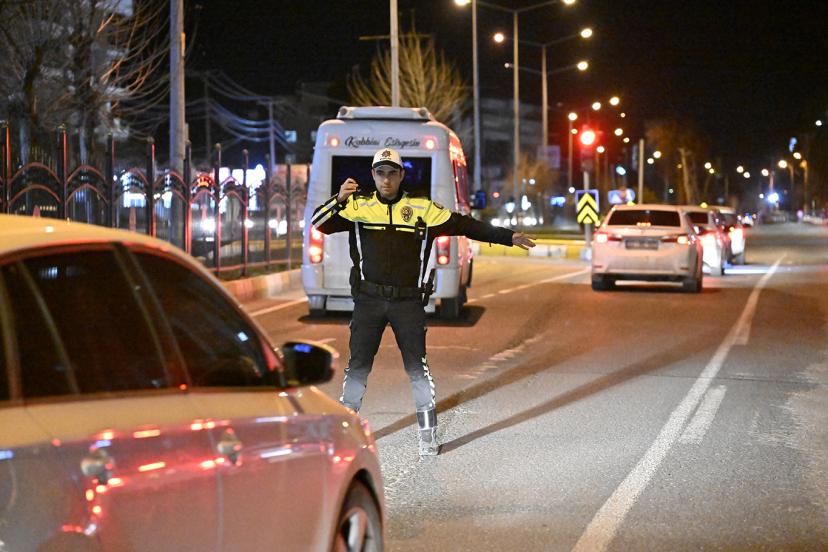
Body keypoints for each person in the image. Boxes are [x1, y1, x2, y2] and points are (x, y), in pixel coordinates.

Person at [311, 147, 535, 455]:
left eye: (392, 173)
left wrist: (507, 237)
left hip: (408, 303)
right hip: (368, 301)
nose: (386, 179)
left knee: (418, 368)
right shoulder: (358, 206)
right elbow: (318, 223)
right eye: (380, 173)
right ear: (373, 175)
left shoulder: (422, 208)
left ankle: (427, 435)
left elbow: (465, 225)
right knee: (358, 367)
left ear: (401, 175)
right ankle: (345, 433)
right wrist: (338, 199)